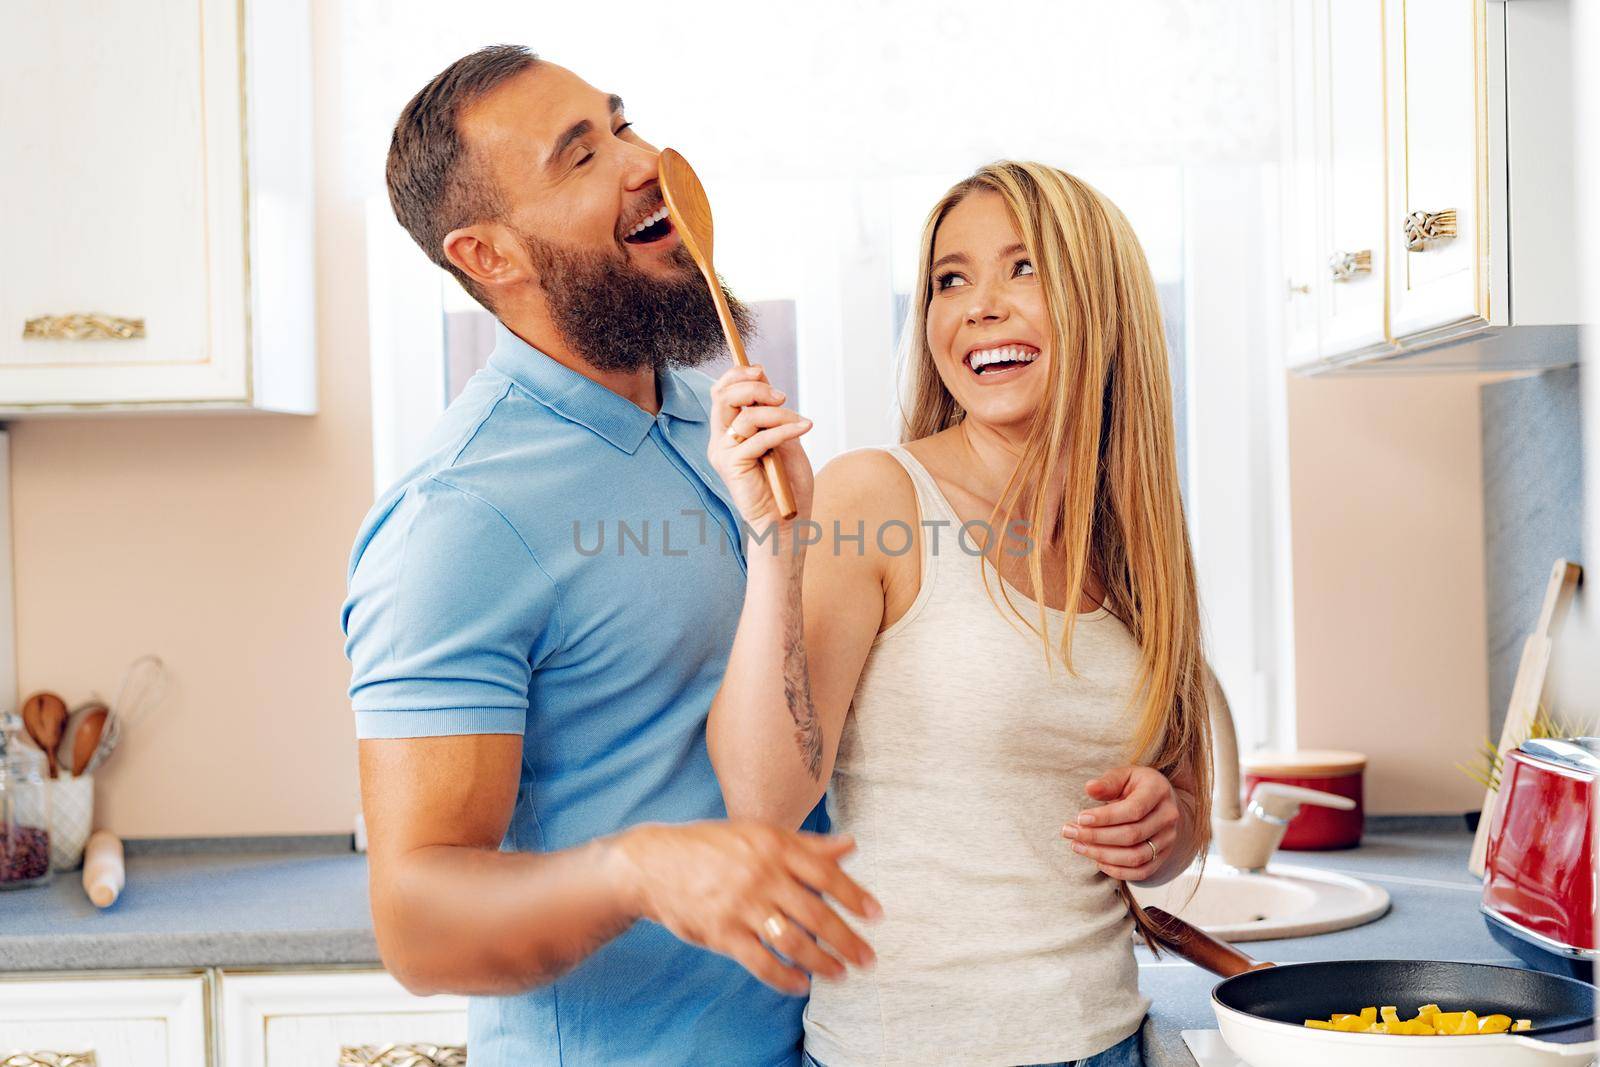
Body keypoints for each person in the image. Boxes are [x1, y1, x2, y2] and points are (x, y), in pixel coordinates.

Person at [341, 45, 878, 1067]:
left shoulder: (703, 426)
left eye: (622, 124)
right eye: (579, 156)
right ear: (488, 256)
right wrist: (636, 867)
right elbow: (415, 923)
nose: (645, 161)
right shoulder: (459, 515)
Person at [703, 161, 1217, 1067]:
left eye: (1025, 269)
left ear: (1102, 304)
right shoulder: (877, 498)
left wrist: (1164, 824)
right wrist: (770, 544)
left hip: (1106, 1039)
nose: (978, 305)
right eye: (950, 278)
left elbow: (1188, 807)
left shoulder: (1135, 543)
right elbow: (764, 798)